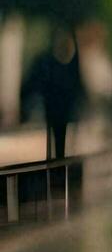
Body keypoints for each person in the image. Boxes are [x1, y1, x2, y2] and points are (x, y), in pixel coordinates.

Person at [20, 28, 84, 160]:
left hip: (62, 108)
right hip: (54, 108)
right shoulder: (52, 63)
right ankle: (56, 161)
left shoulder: (68, 64)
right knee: (55, 135)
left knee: (59, 136)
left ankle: (58, 160)